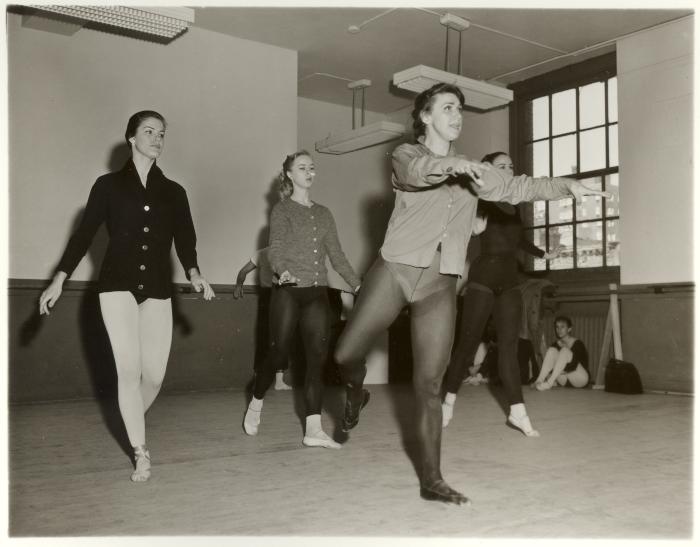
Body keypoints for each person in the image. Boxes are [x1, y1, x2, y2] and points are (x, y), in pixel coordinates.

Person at [333, 83, 609, 505]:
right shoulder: (406, 154)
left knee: (429, 384)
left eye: (459, 108)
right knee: (344, 355)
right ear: (425, 116)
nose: (456, 115)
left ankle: (432, 480)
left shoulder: (476, 172)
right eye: (447, 108)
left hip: (440, 282)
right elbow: (416, 172)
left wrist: (567, 186)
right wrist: (455, 164)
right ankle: (355, 391)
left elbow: (519, 187)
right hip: (396, 270)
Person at [38, 110, 215, 482]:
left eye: (161, 134)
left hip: (157, 290)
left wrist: (195, 273)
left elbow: (186, 239)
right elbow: (83, 234)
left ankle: (129, 416)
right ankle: (140, 450)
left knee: (153, 377)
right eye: (148, 131)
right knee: (129, 372)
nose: (156, 138)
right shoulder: (108, 186)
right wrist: (59, 279)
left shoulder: (174, 192)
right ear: (131, 138)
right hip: (116, 287)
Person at [242, 151, 361, 449]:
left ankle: (313, 430)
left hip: (317, 292)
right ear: (290, 175)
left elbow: (337, 256)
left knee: (315, 361)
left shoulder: (324, 213)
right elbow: (276, 247)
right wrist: (282, 272)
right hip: (288, 291)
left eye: (312, 167)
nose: (309, 172)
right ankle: (256, 400)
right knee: (279, 355)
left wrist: (359, 286)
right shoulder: (282, 210)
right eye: (302, 168)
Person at [441, 152, 559, 435]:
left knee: (509, 348)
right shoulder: (479, 197)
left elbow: (516, 238)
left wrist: (542, 253)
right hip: (482, 280)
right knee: (467, 345)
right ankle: (447, 402)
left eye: (511, 165)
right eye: (501, 166)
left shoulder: (513, 202)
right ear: (488, 170)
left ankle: (518, 412)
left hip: (509, 283)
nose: (508, 169)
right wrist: (472, 224)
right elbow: (462, 226)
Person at [233, 247, 291, 390]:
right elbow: (242, 272)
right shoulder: (281, 252)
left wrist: (238, 286)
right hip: (277, 295)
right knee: (278, 336)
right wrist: (238, 285)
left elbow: (242, 272)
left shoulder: (262, 253)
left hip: (274, 295)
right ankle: (275, 380)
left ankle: (271, 380)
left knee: (270, 336)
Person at [533, 315, 589, 390]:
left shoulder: (578, 344)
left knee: (564, 351)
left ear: (569, 329)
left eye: (562, 327)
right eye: (557, 327)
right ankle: (539, 380)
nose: (559, 330)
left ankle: (549, 383)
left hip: (580, 378)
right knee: (551, 350)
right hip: (564, 381)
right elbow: (551, 364)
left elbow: (577, 365)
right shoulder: (555, 345)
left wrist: (558, 370)